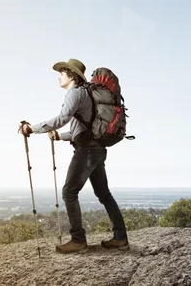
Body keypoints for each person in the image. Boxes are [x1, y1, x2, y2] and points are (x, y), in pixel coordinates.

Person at [18, 58, 129, 254]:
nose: (59, 77)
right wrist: (60, 136)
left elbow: (62, 119)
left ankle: (78, 241)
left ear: (71, 75)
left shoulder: (75, 93)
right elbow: (84, 130)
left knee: (69, 192)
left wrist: (32, 128)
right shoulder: (86, 95)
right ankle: (120, 238)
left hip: (86, 152)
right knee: (104, 194)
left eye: (62, 73)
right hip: (97, 150)